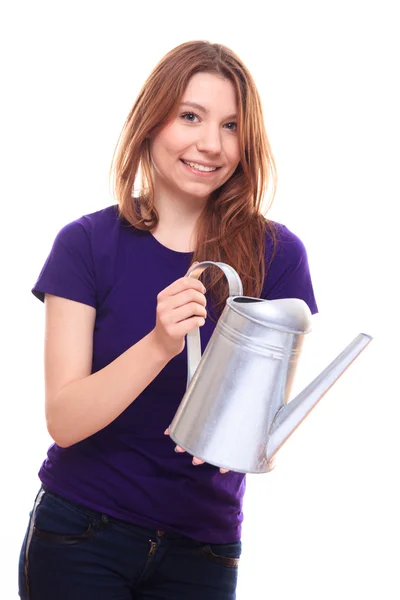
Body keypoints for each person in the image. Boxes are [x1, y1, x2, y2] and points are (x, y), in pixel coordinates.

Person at [18, 40, 318, 600]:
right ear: (151, 123)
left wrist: (237, 435)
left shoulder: (277, 255)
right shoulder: (85, 245)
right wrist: (159, 343)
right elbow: (64, 420)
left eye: (231, 125)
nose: (211, 144)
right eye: (190, 117)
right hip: (82, 535)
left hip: (202, 550)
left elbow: (259, 426)